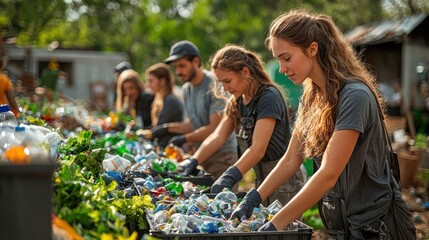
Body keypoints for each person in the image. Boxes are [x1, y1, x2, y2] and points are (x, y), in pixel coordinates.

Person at [231, 10, 416, 239]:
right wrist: (254, 198)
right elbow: (291, 159)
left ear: (312, 49)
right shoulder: (311, 98)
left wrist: (275, 225)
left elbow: (329, 172)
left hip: (376, 226)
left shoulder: (354, 96)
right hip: (341, 224)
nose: (281, 68)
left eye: (286, 58)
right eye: (278, 59)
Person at [182, 44, 305, 204]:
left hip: (284, 181)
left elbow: (258, 149)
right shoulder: (237, 101)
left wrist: (230, 175)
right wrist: (194, 161)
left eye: (228, 81)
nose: (225, 88)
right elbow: (218, 136)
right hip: (262, 178)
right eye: (221, 83)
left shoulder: (268, 97)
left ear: (245, 72)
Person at [152, 40, 237, 180]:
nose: (178, 72)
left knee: (224, 200)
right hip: (201, 155)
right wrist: (166, 129)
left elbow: (214, 128)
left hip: (222, 156)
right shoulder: (186, 89)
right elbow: (193, 123)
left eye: (182, 66)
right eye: (176, 67)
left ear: (196, 61)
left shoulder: (215, 84)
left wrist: (185, 138)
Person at [145, 63, 185, 146]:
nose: (148, 85)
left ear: (162, 81)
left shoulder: (171, 100)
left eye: (151, 81)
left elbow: (161, 129)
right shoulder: (161, 100)